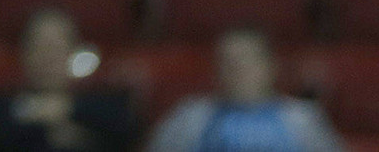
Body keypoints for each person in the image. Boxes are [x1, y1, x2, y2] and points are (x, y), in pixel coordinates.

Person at [0, 8, 139, 152]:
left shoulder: (104, 104)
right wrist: (48, 125)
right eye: (39, 47)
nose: (48, 57)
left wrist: (65, 109)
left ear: (73, 53)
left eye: (56, 47)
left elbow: (124, 129)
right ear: (24, 53)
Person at [145, 29, 343, 152]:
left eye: (247, 58)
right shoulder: (189, 118)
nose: (238, 68)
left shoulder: (303, 120)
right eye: (228, 61)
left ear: (270, 66)